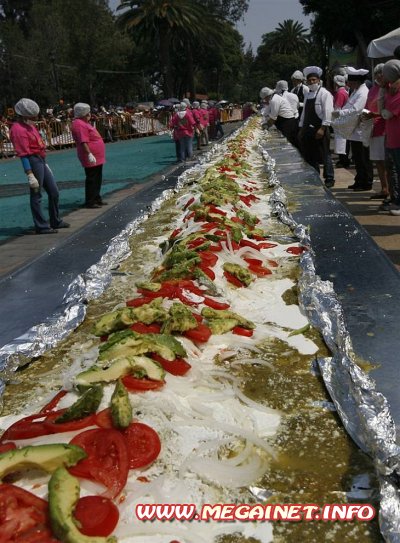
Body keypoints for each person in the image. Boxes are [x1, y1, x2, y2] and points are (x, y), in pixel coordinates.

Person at [9, 98, 69, 234]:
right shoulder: (18, 129)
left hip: (40, 159)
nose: (35, 118)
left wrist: (45, 163)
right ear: (24, 115)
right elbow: (23, 153)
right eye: (32, 116)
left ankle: (55, 220)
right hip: (32, 161)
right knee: (36, 194)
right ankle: (41, 226)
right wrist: (29, 173)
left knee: (54, 192)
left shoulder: (30, 126)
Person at [332, 67, 373, 191]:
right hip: (354, 129)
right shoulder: (356, 91)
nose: (347, 84)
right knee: (357, 157)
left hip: (360, 129)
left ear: (356, 81)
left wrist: (341, 113)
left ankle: (366, 181)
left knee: (363, 158)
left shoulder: (363, 92)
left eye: (349, 81)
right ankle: (359, 179)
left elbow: (356, 109)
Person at [298, 66, 335, 188]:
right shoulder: (308, 94)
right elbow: (304, 113)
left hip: (320, 128)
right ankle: (315, 176)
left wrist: (323, 128)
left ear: (319, 80)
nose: (312, 82)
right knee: (311, 154)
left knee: (325, 154)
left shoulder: (325, 94)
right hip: (308, 129)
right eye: (310, 80)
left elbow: (328, 112)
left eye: (314, 80)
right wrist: (301, 127)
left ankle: (329, 177)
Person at [71, 102, 106, 209]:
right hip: (90, 155)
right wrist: (89, 153)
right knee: (92, 178)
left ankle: (96, 198)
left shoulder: (83, 123)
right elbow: (83, 141)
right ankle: (90, 201)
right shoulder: (79, 124)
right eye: (88, 113)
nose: (89, 115)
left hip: (97, 155)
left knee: (97, 177)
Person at [362, 64, 389, 200]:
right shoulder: (372, 89)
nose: (379, 75)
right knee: (378, 161)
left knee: (386, 161)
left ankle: (389, 189)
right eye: (377, 73)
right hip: (373, 128)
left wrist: (374, 114)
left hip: (383, 128)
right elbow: (367, 106)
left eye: (381, 73)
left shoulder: (387, 88)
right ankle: (384, 188)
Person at [381, 59, 400, 215]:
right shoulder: (390, 89)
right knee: (396, 171)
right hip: (392, 138)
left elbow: (387, 113)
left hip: (398, 138)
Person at [332, 74, 350, 167]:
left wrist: (333, 119)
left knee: (341, 142)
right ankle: (344, 159)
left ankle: (343, 160)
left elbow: (337, 107)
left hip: (340, 119)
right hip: (345, 119)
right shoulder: (345, 92)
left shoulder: (340, 93)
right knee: (344, 141)